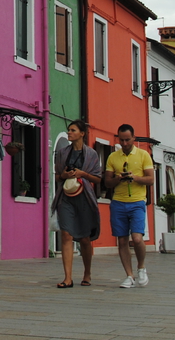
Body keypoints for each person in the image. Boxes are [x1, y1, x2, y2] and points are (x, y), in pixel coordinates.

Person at [51, 119, 102, 288]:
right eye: (68, 130)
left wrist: (83, 174)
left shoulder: (92, 154)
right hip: (66, 197)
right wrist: (64, 176)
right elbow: (58, 176)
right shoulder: (62, 153)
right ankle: (68, 278)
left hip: (84, 197)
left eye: (73, 130)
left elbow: (97, 178)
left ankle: (87, 273)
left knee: (85, 238)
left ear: (82, 133)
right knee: (66, 234)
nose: (69, 133)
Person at [104, 124, 155, 288]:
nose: (124, 143)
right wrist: (119, 178)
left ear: (134, 138)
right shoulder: (112, 157)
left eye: (127, 139)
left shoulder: (143, 155)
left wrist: (135, 178)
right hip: (118, 202)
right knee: (122, 239)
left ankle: (141, 267)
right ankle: (129, 275)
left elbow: (151, 179)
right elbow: (107, 182)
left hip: (137, 202)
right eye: (122, 139)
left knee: (137, 238)